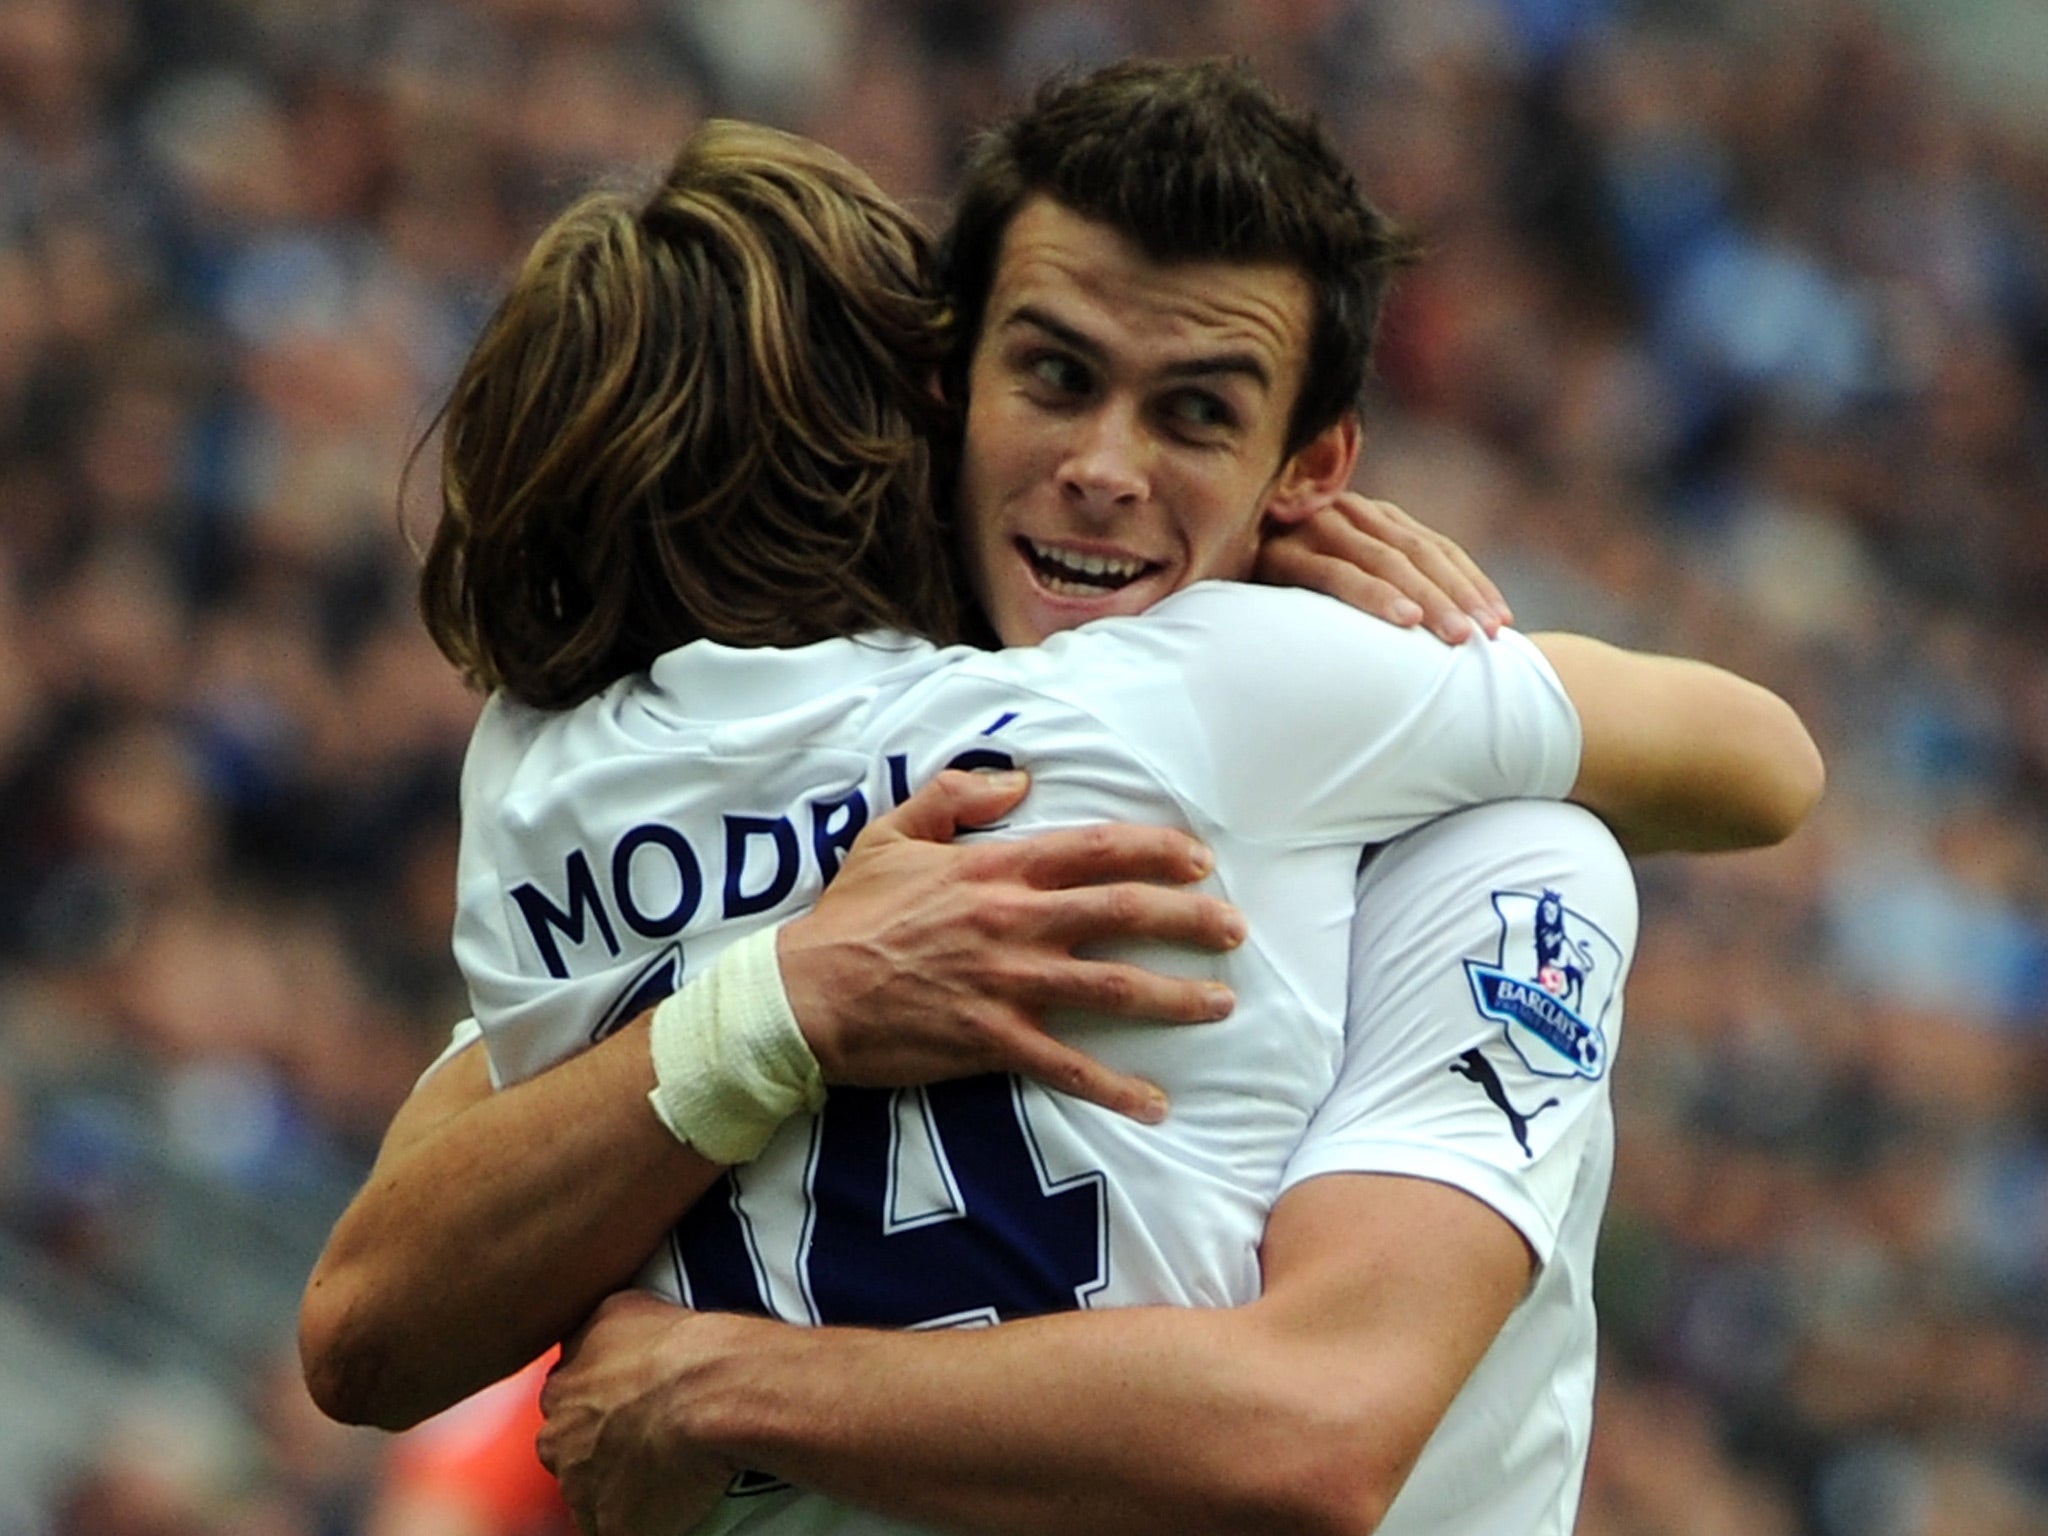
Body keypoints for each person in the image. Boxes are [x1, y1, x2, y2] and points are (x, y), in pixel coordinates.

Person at [299, 62, 1821, 1536]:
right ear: (941, 387)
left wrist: (731, 1382)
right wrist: (786, 999)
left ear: (1313, 471)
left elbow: (1320, 1426)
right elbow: (372, 1315)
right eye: (1057, 375)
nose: (1103, 467)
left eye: (1198, 416)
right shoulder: (934, 791)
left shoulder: (1492, 849)